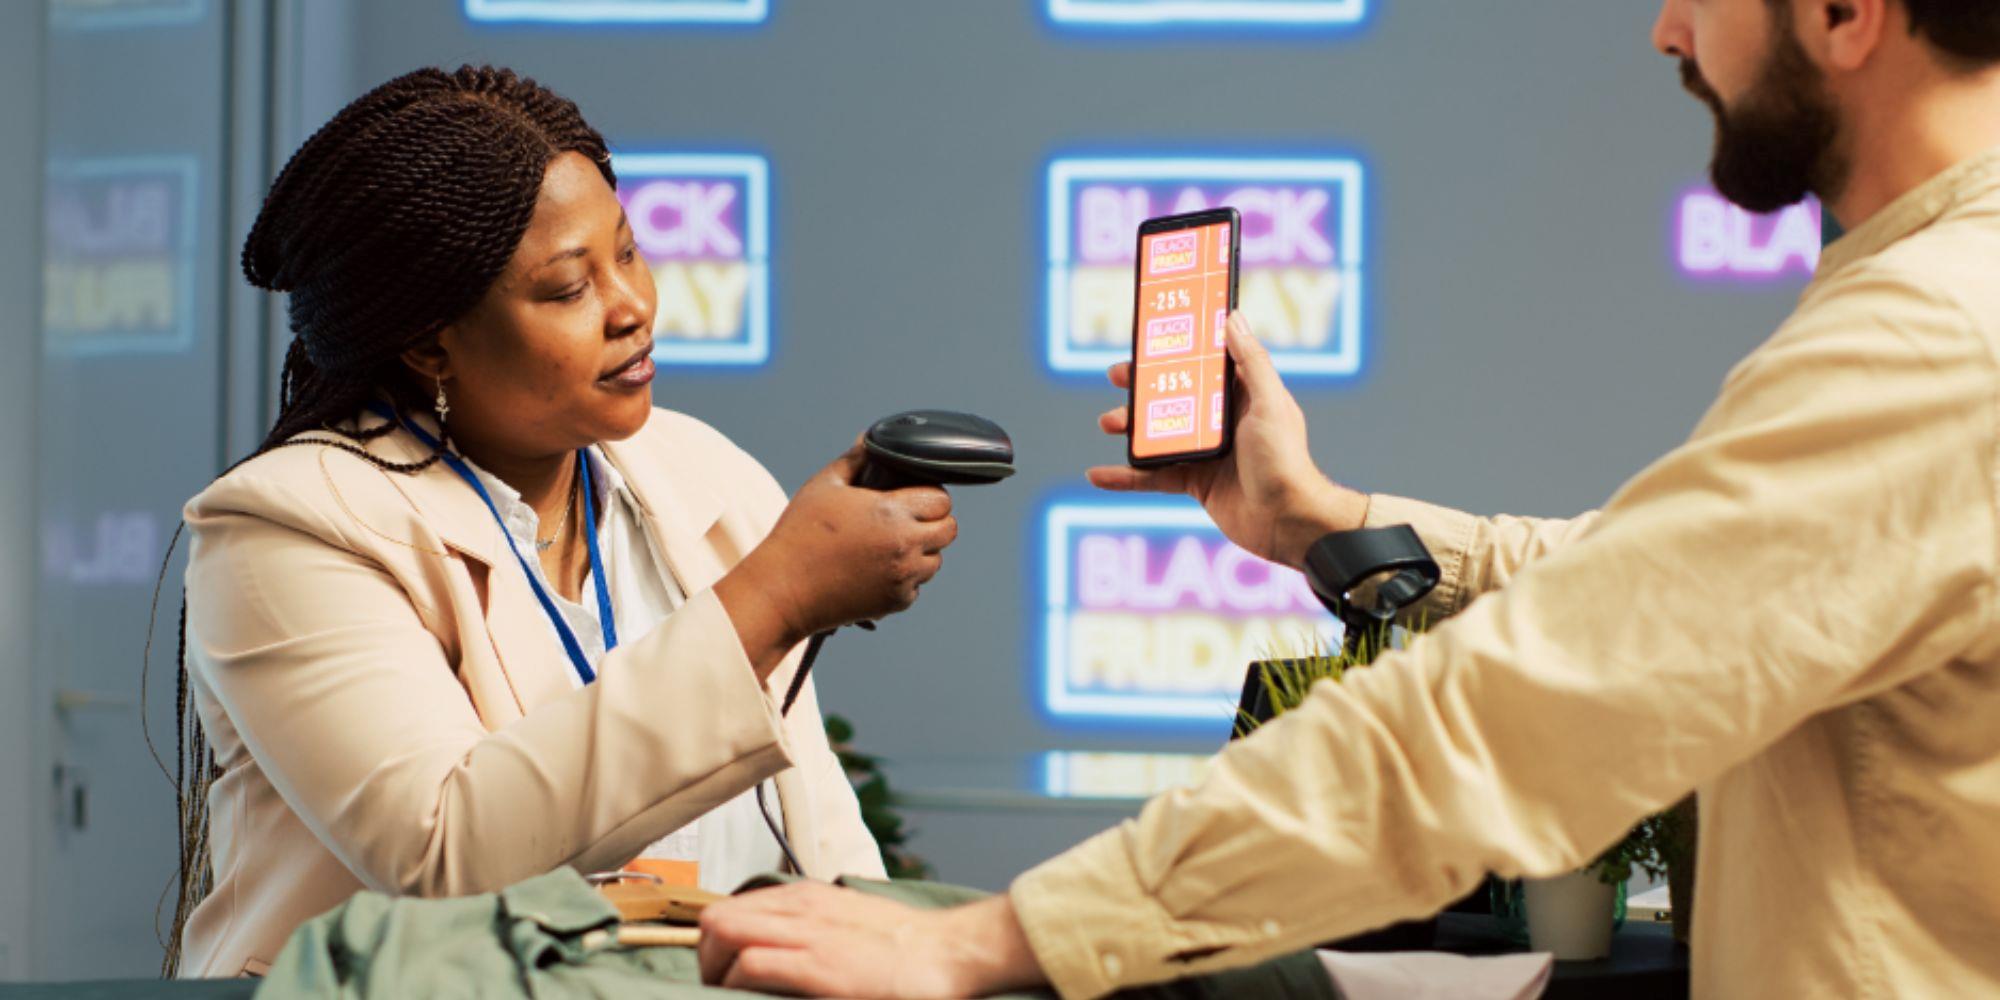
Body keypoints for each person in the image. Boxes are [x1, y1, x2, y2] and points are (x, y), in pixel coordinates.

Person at [693, 1, 2000, 996]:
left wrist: (1001, 938)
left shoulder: (1932, 341)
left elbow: (1520, 709)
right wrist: (1322, 521)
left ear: (1840, 12)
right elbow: (1664, 587)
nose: (1665, 29)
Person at [160, 65, 960, 978]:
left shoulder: (701, 467)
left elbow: (814, 826)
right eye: (568, 288)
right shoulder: (287, 530)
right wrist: (773, 599)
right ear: (431, 342)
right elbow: (444, 854)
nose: (633, 308)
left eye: (628, 252)